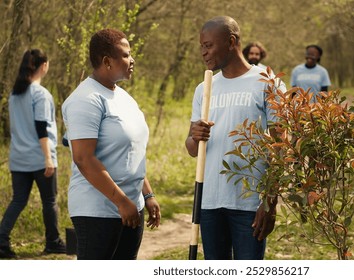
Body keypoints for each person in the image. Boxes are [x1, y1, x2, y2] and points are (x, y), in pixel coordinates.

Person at [185, 16, 281, 260]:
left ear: (231, 42)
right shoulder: (204, 88)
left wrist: (269, 203)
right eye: (201, 47)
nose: (204, 53)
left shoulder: (266, 82)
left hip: (249, 204)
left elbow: (283, 147)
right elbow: (192, 149)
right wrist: (195, 137)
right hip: (209, 203)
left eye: (208, 45)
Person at [61, 28, 161, 260]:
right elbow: (84, 159)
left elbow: (130, 152)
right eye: (126, 55)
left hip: (130, 208)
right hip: (98, 212)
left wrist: (147, 195)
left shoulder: (124, 98)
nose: (132, 59)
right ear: (107, 61)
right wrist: (121, 201)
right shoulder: (85, 100)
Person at [0, 49, 66, 259]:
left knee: (18, 200)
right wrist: (48, 158)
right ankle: (53, 243)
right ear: (43, 66)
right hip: (39, 158)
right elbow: (41, 128)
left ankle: (1, 241)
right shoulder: (41, 94)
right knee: (50, 201)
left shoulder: (14, 94)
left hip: (18, 158)